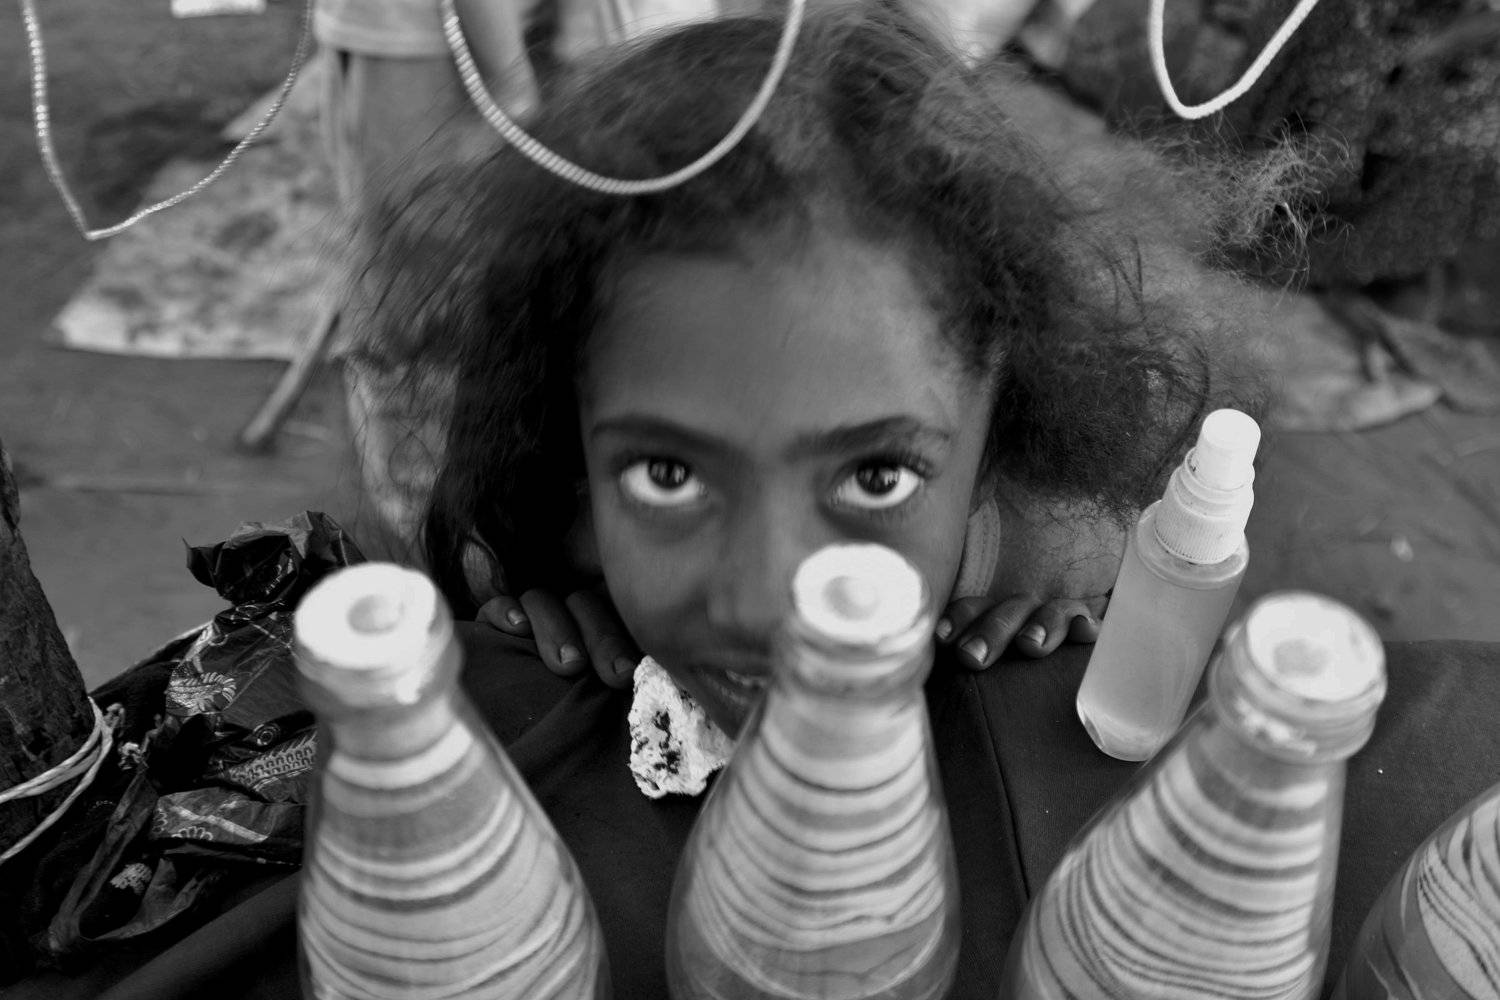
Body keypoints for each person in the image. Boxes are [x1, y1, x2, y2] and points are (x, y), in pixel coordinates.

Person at [358, 0, 1278, 708]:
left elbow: (1149, 643)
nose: (767, 605)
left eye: (876, 478)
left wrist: (1098, 626)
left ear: (999, 440)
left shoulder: (1069, 549)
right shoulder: (549, 533)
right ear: (571, 435)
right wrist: (537, 603)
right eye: (667, 476)